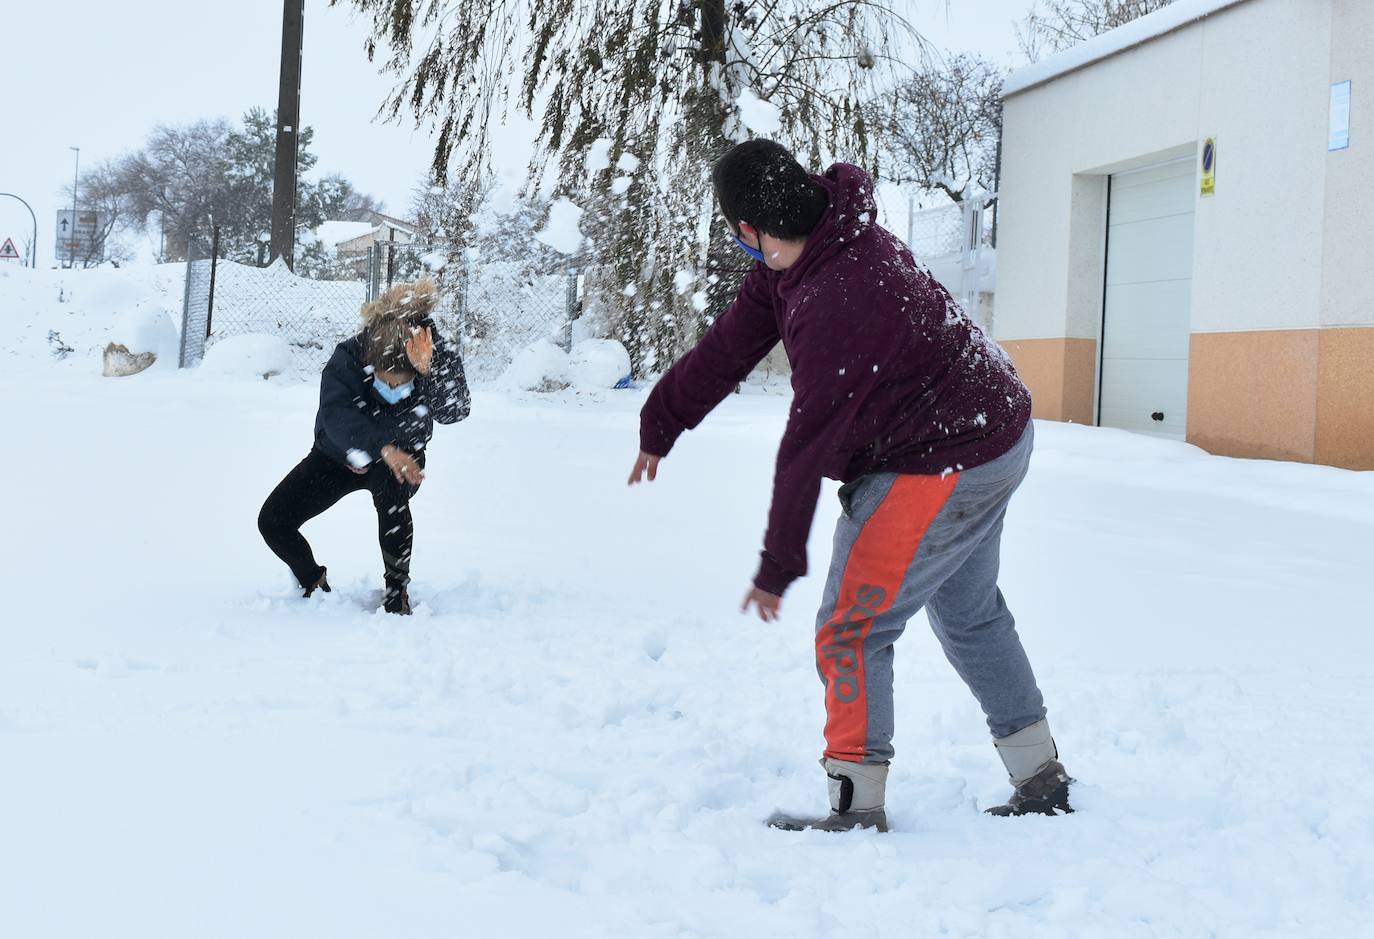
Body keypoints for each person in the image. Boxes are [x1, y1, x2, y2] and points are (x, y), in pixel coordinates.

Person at [628, 140, 1072, 831]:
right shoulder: (814, 245)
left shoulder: (840, 295)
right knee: (969, 611)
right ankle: (1040, 773)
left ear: (750, 230)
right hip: (994, 430)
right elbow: (731, 343)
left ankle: (855, 803)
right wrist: (664, 419)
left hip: (945, 454)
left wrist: (778, 563)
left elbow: (808, 444)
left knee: (851, 627)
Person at [258, 278, 470, 615]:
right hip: (338, 456)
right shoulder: (350, 354)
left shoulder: (434, 355)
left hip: (399, 462)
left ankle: (397, 592)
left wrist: (431, 372)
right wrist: (380, 447)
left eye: (401, 384)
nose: (392, 389)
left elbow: (455, 411)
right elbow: (336, 415)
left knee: (393, 497)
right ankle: (313, 581)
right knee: (273, 521)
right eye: (384, 381)